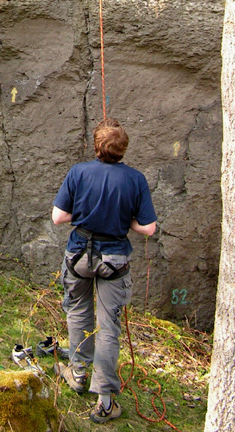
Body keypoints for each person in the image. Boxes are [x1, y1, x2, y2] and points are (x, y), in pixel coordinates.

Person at [52, 118, 157, 424]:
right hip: (114, 259)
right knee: (108, 326)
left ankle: (79, 374)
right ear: (123, 149)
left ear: (96, 146)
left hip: (79, 255)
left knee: (78, 313)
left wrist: (84, 215)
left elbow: (58, 218)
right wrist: (125, 223)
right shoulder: (135, 179)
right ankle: (105, 400)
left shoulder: (79, 172)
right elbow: (148, 228)